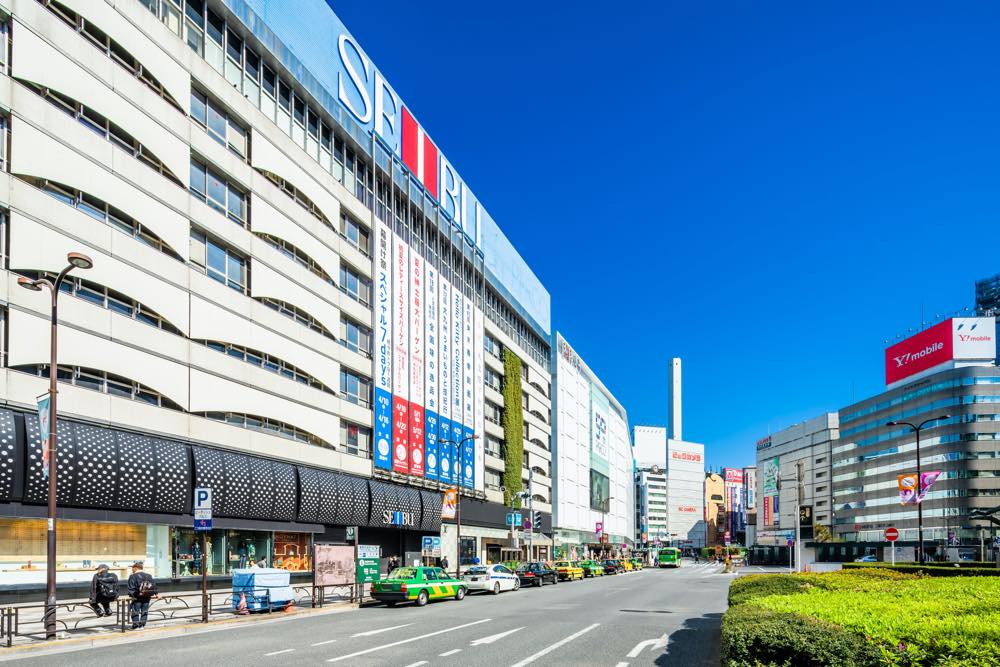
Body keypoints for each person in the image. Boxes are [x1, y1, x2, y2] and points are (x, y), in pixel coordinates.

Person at [126, 561, 157, 630]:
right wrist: (156, 594)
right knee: (144, 611)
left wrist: (132, 596)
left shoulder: (133, 576)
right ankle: (142, 625)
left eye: (132, 568)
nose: (132, 569)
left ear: (136, 568)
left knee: (135, 611)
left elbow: (131, 588)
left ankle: (136, 626)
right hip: (147, 596)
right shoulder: (148, 575)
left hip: (137, 597)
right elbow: (154, 586)